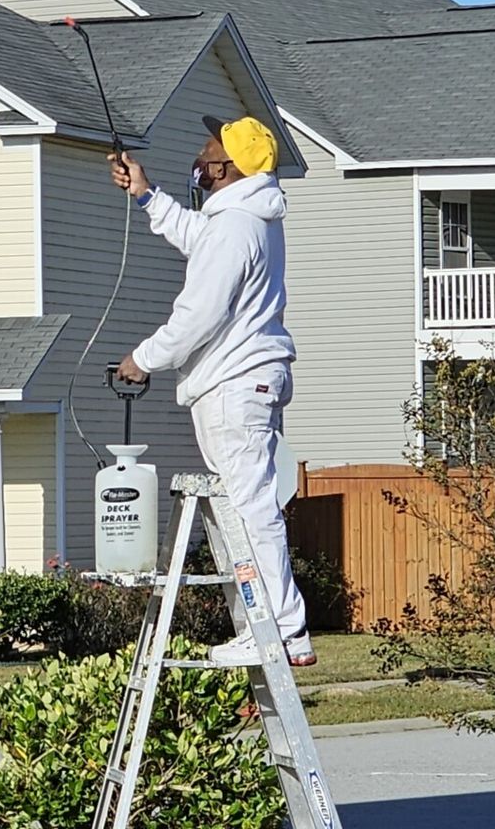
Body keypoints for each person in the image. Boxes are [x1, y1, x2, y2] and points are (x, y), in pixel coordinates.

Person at [109, 114, 314, 668]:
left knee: (250, 509)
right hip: (246, 378)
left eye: (208, 148)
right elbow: (195, 238)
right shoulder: (244, 219)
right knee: (247, 506)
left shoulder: (235, 227)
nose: (199, 157)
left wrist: (143, 359)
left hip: (232, 384)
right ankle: (268, 626)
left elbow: (199, 313)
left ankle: (281, 631)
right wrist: (147, 194)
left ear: (224, 167)